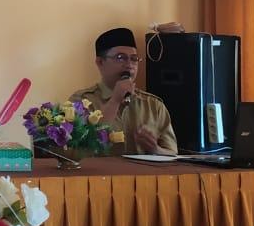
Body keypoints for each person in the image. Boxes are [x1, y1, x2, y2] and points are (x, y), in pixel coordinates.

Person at [70, 27, 178, 155]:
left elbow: (172, 154)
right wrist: (115, 100)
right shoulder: (81, 102)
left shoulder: (153, 105)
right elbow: (75, 152)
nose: (129, 65)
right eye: (120, 58)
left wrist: (155, 149)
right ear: (100, 62)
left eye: (134, 59)